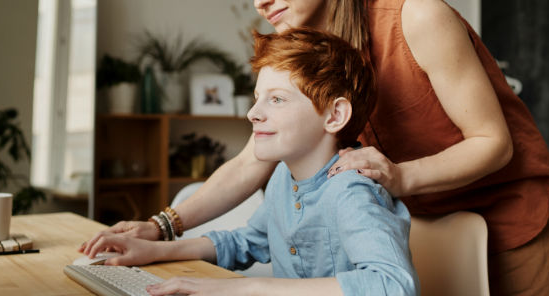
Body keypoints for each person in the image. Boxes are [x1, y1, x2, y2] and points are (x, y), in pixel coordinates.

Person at [85, 0, 549, 295]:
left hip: (513, 220)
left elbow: (493, 143)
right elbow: (251, 161)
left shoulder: (415, 16)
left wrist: (400, 175)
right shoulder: (317, 55)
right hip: (424, 224)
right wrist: (161, 226)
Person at [81, 28, 418, 296]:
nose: (253, 113)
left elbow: (393, 285)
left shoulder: (352, 190)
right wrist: (153, 250)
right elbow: (248, 242)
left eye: (276, 99)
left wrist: (248, 288)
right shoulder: (284, 179)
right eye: (258, 98)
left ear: (335, 115)